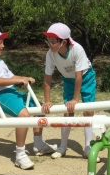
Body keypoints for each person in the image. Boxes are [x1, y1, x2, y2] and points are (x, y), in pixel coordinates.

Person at [0, 29, 56, 169]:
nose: (3, 46)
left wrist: (23, 78)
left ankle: (38, 144)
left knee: (39, 107)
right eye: (0, 43)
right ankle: (20, 155)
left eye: (3, 43)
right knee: (24, 115)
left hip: (10, 92)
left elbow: (11, 77)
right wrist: (19, 80)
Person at [41, 23, 99, 162]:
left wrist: (75, 99)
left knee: (88, 110)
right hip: (68, 80)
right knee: (67, 111)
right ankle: (62, 146)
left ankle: (87, 147)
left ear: (64, 42)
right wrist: (47, 100)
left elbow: (79, 76)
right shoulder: (51, 54)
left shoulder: (77, 49)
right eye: (48, 40)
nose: (49, 44)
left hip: (86, 78)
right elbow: (47, 78)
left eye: (53, 41)